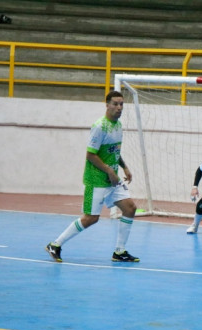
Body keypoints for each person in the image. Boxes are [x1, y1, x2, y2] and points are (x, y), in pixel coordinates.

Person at [45, 90, 139, 263]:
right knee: (91, 218)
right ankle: (55, 244)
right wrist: (110, 172)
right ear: (107, 105)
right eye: (115, 104)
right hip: (96, 179)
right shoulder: (99, 126)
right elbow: (91, 155)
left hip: (112, 180)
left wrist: (124, 168)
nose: (119, 108)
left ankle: (119, 251)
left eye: (121, 104)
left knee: (130, 208)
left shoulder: (118, 125)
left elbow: (114, 151)